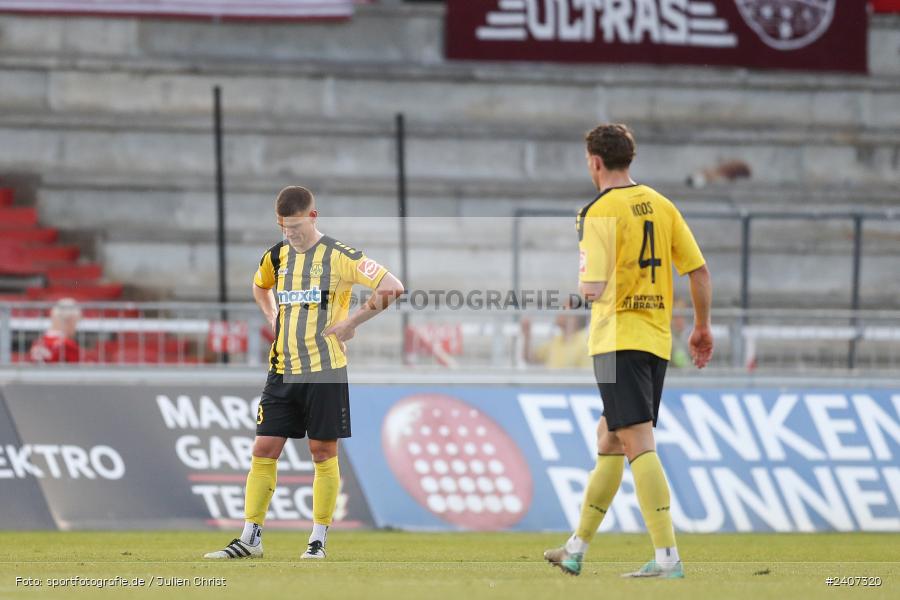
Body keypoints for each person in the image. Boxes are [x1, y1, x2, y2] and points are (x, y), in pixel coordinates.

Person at [543, 124, 713, 579]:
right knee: (611, 438)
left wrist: (577, 291)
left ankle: (667, 558)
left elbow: (593, 287)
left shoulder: (596, 211)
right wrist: (701, 328)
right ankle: (576, 548)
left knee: (636, 441)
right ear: (628, 160)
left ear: (594, 162)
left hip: (617, 339)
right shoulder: (661, 204)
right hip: (656, 340)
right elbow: (698, 271)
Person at [205, 186, 404, 560]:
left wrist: (351, 322)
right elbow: (259, 286)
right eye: (283, 227)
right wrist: (271, 314)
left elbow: (393, 287)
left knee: (322, 452)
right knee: (264, 449)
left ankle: (317, 541)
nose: (289, 235)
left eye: (295, 227)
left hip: (325, 371)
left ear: (312, 217)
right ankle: (250, 538)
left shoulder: (340, 256)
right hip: (282, 370)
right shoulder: (277, 255)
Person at [520, 305, 591, 369]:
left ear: (574, 317)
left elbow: (585, 378)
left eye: (564, 309)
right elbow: (530, 358)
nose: (559, 312)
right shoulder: (557, 340)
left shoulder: (584, 343)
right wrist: (527, 337)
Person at [29, 298, 82, 363]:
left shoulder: (37, 343)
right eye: (75, 323)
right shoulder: (68, 346)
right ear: (70, 320)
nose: (75, 328)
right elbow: (76, 372)